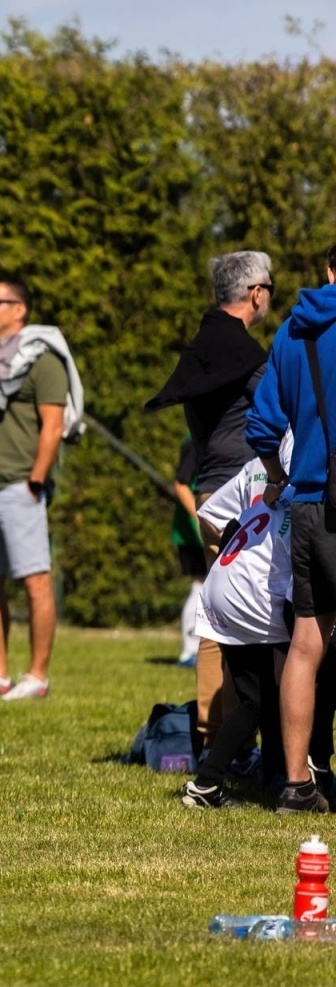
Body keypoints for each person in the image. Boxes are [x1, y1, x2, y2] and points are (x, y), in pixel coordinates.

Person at [147, 251, 273, 740]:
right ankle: (233, 739)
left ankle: (207, 730)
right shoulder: (244, 355)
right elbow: (280, 408)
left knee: (216, 616)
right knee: (254, 620)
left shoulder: (204, 345)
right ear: (256, 293)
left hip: (208, 489)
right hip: (241, 493)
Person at [0, 274, 84, 701]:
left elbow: (52, 426)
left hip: (18, 488)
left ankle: (37, 676)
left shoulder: (43, 362)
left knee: (35, 582)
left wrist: (35, 479)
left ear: (19, 309)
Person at [244, 243, 336, 814]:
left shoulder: (292, 331)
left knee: (306, 642)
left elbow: (262, 424)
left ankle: (296, 784)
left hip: (305, 502)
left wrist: (281, 476)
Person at [181, 435, 292, 808]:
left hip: (222, 585)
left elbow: (209, 514)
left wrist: (235, 555)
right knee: (261, 698)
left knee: (265, 691)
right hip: (254, 595)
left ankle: (274, 777)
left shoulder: (257, 468)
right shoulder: (310, 485)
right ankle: (207, 785)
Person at [172, 438, 206, 667]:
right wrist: (199, 517)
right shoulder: (195, 440)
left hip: (202, 528)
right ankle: (189, 650)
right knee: (200, 585)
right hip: (192, 533)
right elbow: (181, 484)